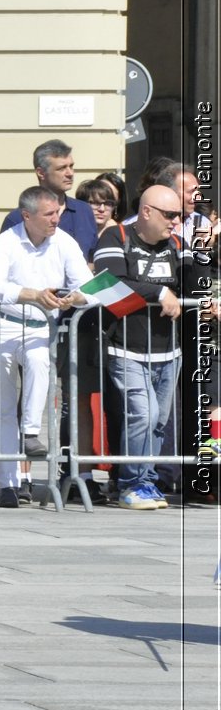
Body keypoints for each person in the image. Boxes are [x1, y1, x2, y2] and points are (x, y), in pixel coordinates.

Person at [92, 184, 213, 509]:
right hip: (126, 348)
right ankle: (132, 484)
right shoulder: (115, 236)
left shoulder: (177, 243)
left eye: (178, 215)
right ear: (146, 212)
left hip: (167, 351)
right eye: (169, 215)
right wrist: (159, 293)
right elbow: (108, 283)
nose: (176, 221)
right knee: (142, 415)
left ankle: (145, 481)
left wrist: (203, 266)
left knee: (158, 421)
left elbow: (196, 280)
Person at [0, 187, 92, 507]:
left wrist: (77, 297)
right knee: (1, 407)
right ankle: (8, 484)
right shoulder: (6, 242)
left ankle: (30, 433)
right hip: (1, 325)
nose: (56, 219)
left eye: (57, 212)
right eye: (49, 214)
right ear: (27, 216)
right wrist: (32, 294)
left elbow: (90, 284)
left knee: (40, 361)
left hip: (40, 327)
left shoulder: (64, 242)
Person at [0, 140, 99, 259]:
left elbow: (93, 258)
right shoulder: (17, 218)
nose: (70, 173)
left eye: (71, 166)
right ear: (41, 173)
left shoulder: (84, 210)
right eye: (62, 168)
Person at [77, 178, 120, 244]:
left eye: (107, 204)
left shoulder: (120, 235)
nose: (102, 209)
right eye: (95, 203)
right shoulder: (71, 231)